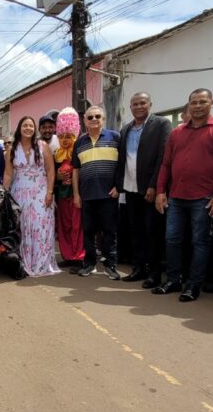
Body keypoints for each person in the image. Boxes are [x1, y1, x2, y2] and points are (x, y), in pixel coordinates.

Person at [153, 88, 213, 302]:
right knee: (172, 239)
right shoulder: (177, 133)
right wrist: (161, 191)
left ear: (212, 103)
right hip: (176, 196)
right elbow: (166, 164)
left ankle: (193, 284)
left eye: (202, 102)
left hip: (205, 198)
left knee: (200, 241)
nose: (198, 106)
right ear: (189, 105)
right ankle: (173, 280)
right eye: (194, 102)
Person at [116, 92, 172, 287]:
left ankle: (154, 273)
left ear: (150, 104)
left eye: (142, 103)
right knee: (135, 232)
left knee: (152, 232)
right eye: (135, 104)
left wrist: (154, 185)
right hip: (130, 189)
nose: (139, 107)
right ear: (130, 107)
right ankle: (138, 268)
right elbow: (122, 159)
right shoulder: (126, 129)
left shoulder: (161, 124)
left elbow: (163, 157)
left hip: (149, 190)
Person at [4, 115, 59, 277]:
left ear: (34, 129)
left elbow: (50, 171)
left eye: (31, 126)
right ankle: (22, 262)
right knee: (23, 227)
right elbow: (7, 174)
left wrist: (49, 193)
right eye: (25, 126)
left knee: (41, 227)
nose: (28, 128)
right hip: (19, 193)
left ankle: (41, 262)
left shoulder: (42, 146)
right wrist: (4, 195)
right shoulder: (12, 149)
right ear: (19, 129)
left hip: (41, 193)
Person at [72, 104, 121, 280]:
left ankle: (110, 265)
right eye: (90, 117)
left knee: (110, 232)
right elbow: (76, 170)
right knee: (88, 232)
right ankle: (89, 264)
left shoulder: (115, 138)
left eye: (97, 116)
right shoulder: (79, 143)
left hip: (109, 195)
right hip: (87, 196)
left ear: (103, 119)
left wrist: (118, 186)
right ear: (84, 121)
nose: (94, 120)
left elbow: (122, 166)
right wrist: (76, 194)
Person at [53, 107, 85, 267]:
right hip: (61, 196)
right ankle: (67, 256)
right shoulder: (56, 154)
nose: (65, 140)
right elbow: (51, 176)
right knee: (64, 226)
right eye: (62, 137)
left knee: (77, 226)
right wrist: (58, 178)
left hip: (76, 195)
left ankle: (78, 255)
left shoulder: (78, 151)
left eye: (68, 136)